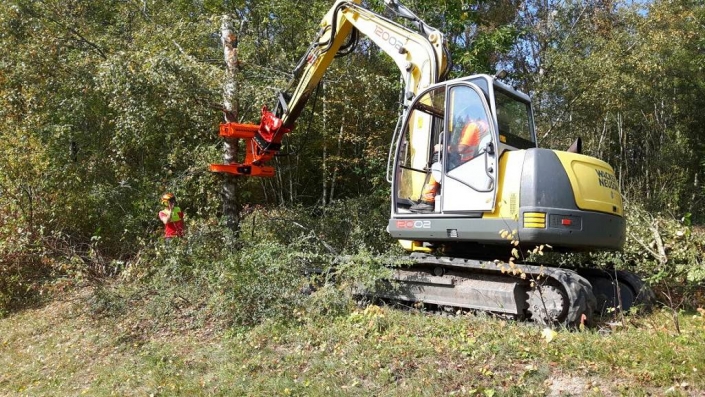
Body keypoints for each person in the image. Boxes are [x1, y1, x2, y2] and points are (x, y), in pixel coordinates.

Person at [410, 117, 489, 213]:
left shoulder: (473, 126)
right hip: (474, 163)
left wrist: (443, 148)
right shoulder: (485, 126)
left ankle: (427, 201)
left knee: (437, 165)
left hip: (467, 165)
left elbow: (461, 148)